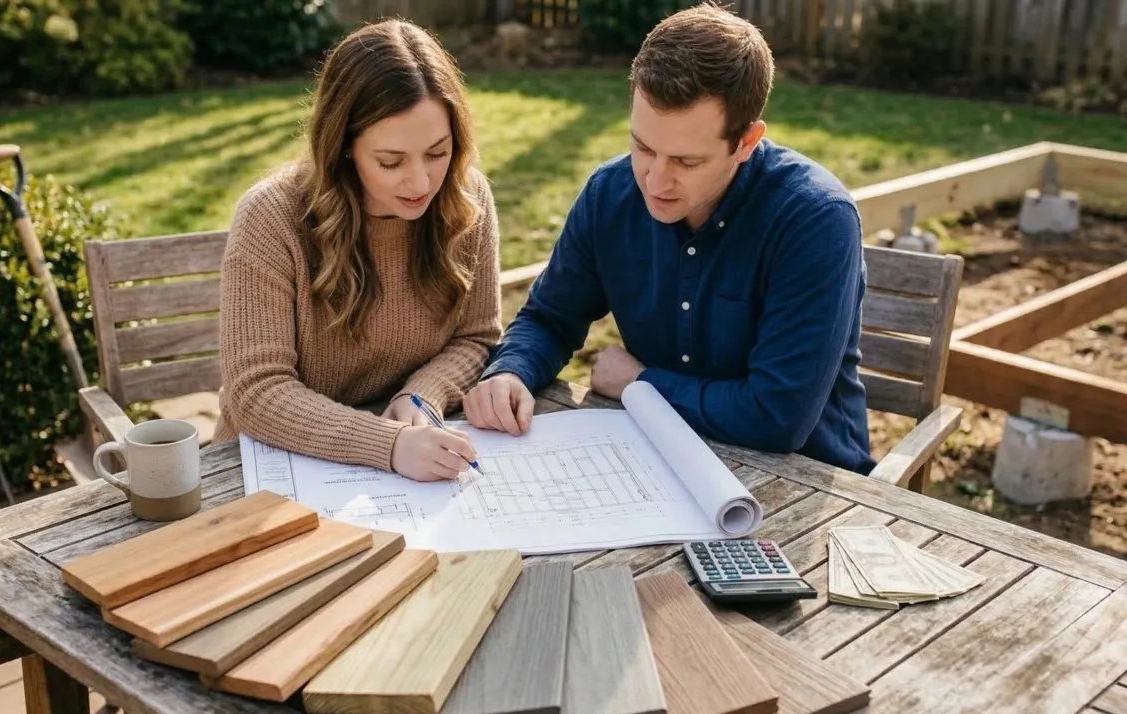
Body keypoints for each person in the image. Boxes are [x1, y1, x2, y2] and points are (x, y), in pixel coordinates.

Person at [463, 4, 876, 475]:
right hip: (654, 460)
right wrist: (511, 370)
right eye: (643, 147)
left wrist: (642, 383)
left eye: (686, 161)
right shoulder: (610, 194)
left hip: (808, 479)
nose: (655, 181)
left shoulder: (815, 220)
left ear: (746, 141)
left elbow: (777, 417)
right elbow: (550, 318)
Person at [213, 19, 503, 482]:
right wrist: (386, 444)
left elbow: (477, 337)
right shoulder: (271, 217)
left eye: (437, 152)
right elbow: (256, 392)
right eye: (390, 161)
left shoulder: (465, 200)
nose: (421, 182)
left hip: (408, 467)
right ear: (344, 147)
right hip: (264, 471)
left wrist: (422, 395)